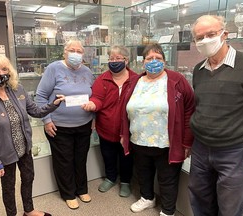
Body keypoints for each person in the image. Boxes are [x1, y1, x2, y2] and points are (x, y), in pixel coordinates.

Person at [0, 52, 65, 216]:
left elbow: (35, 111)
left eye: (4, 69)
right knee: (8, 187)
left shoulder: (17, 89)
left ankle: (29, 210)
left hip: (24, 146)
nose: (1, 73)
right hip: (3, 152)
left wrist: (53, 104)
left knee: (28, 178)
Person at [121, 43, 195, 216]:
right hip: (138, 139)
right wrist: (123, 134)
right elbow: (124, 109)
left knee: (167, 179)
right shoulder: (134, 81)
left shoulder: (177, 80)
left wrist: (187, 142)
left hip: (166, 142)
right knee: (143, 173)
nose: (154, 61)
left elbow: (189, 111)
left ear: (164, 60)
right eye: (149, 58)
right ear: (143, 61)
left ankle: (168, 210)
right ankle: (147, 198)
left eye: (158, 58)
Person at [189, 14, 243, 216]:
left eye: (211, 34)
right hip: (201, 147)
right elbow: (200, 105)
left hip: (234, 150)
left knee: (230, 204)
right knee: (200, 197)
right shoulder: (199, 70)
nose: (205, 40)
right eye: (199, 37)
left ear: (225, 34)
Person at [35, 38, 94, 210]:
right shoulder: (54, 68)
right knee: (64, 160)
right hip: (59, 125)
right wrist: (46, 120)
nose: (76, 54)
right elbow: (41, 96)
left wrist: (93, 118)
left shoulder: (87, 71)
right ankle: (68, 193)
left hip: (84, 124)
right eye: (72, 50)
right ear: (65, 52)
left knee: (80, 158)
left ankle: (82, 189)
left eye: (79, 51)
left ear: (83, 54)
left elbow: (94, 96)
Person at [82, 45, 138, 197]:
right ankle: (110, 178)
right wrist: (93, 104)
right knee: (108, 155)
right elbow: (97, 98)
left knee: (126, 157)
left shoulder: (136, 79)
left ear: (126, 60)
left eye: (118, 58)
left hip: (128, 129)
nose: (114, 61)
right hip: (105, 127)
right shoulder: (102, 79)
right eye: (111, 58)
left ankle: (126, 182)